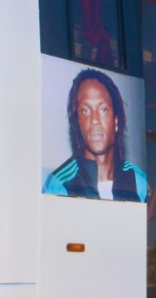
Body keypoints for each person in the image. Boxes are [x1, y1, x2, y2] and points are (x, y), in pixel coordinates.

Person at [43, 68, 147, 202]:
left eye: (103, 109)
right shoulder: (59, 185)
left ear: (116, 120)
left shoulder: (139, 183)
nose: (94, 120)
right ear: (78, 122)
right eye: (85, 110)